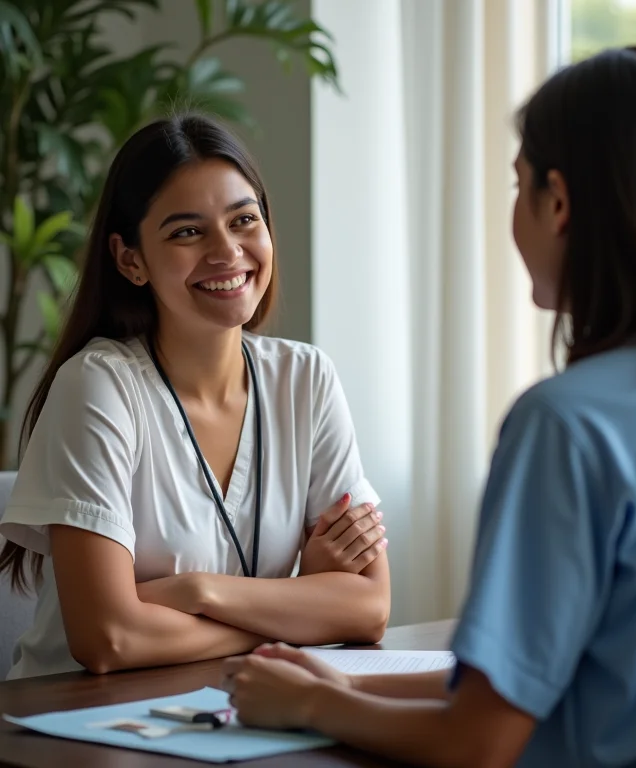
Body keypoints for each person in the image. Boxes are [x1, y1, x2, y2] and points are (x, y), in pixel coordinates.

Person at [221, 45, 636, 767]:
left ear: (560, 201)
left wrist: (312, 705)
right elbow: (558, 693)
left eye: (519, 184)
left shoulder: (568, 425)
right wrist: (343, 683)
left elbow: (479, 742)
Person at [0, 114, 390, 680]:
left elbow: (369, 608)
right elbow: (108, 637)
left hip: (229, 714)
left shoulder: (306, 379)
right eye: (187, 232)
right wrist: (300, 601)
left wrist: (195, 590)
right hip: (75, 729)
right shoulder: (99, 387)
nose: (228, 252)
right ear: (130, 258)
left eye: (244, 220)